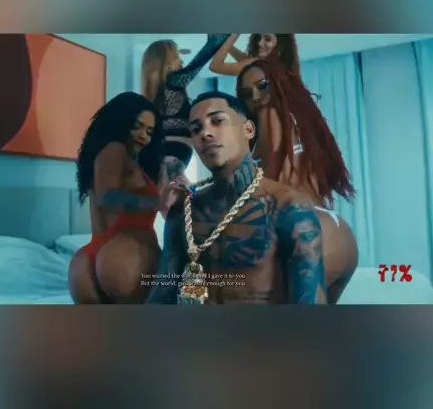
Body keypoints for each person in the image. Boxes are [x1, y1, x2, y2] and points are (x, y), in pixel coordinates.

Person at [209, 34, 358, 303]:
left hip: (303, 223)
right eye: (247, 94)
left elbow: (272, 167)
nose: (256, 97)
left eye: (262, 87)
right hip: (338, 230)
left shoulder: (269, 111)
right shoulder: (298, 108)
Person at [146, 91, 327, 305]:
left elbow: (310, 305)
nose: (205, 133)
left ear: (248, 129)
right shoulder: (184, 210)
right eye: (196, 129)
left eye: (217, 121)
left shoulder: (288, 206)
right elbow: (162, 294)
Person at [68, 92, 164, 304]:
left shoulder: (104, 156)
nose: (143, 136)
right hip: (125, 255)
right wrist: (158, 201)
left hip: (88, 261)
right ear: (120, 122)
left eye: (149, 131)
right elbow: (108, 198)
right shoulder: (116, 149)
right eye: (137, 126)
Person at [141, 35, 230, 210]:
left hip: (167, 153)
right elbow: (198, 62)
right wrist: (221, 37)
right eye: (176, 57)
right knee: (181, 200)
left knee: (169, 201)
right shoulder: (174, 82)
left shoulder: (153, 94)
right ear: (166, 62)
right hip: (175, 152)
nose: (181, 61)